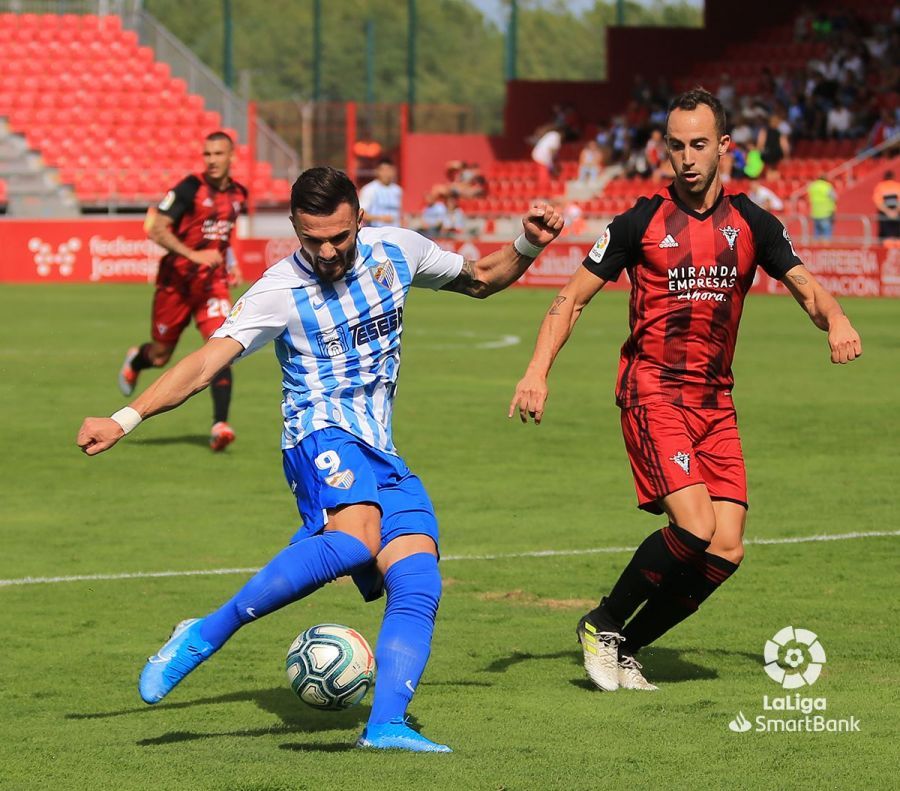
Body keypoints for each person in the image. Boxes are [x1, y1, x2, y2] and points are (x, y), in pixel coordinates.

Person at [77, 167, 563, 751]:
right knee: (358, 537)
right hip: (317, 434)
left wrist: (530, 242)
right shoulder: (279, 290)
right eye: (313, 240)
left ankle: (384, 725)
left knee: (417, 574)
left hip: (379, 445)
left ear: (360, 218)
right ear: (293, 228)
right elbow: (205, 364)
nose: (328, 251)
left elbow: (482, 278)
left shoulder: (396, 251)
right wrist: (124, 418)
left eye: (339, 236)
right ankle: (205, 632)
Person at [509, 89, 862, 693]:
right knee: (694, 526)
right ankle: (602, 623)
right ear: (664, 149)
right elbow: (569, 299)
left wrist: (837, 319)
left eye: (700, 144)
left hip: (715, 402)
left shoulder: (752, 221)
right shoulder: (638, 222)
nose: (688, 157)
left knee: (726, 549)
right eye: (677, 145)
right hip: (653, 392)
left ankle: (625, 646)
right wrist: (537, 370)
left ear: (724, 146)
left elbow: (805, 286)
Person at [117, 131, 247, 451]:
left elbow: (223, 235)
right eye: (207, 154)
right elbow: (155, 228)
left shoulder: (239, 194)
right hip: (175, 283)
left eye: (218, 154)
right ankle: (137, 361)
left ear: (232, 157)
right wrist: (194, 255)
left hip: (211, 284)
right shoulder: (189, 188)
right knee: (160, 356)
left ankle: (220, 425)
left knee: (222, 347)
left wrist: (230, 261)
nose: (212, 160)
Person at [358, 157, 402, 227]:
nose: (386, 173)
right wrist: (380, 218)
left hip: (395, 234)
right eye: (383, 170)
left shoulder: (397, 190)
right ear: (377, 171)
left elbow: (399, 214)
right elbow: (360, 214)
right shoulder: (369, 189)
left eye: (389, 170)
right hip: (376, 233)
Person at [872, 170, 900, 239]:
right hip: (897, 214)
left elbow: (878, 202)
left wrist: (888, 212)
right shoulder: (897, 186)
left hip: (884, 214)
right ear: (893, 177)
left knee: (884, 235)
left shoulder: (880, 187)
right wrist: (895, 211)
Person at [807, 175, 837, 240]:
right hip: (826, 213)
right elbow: (834, 197)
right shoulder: (826, 186)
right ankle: (826, 248)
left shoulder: (813, 186)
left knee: (817, 234)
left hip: (815, 213)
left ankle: (815, 248)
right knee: (826, 234)